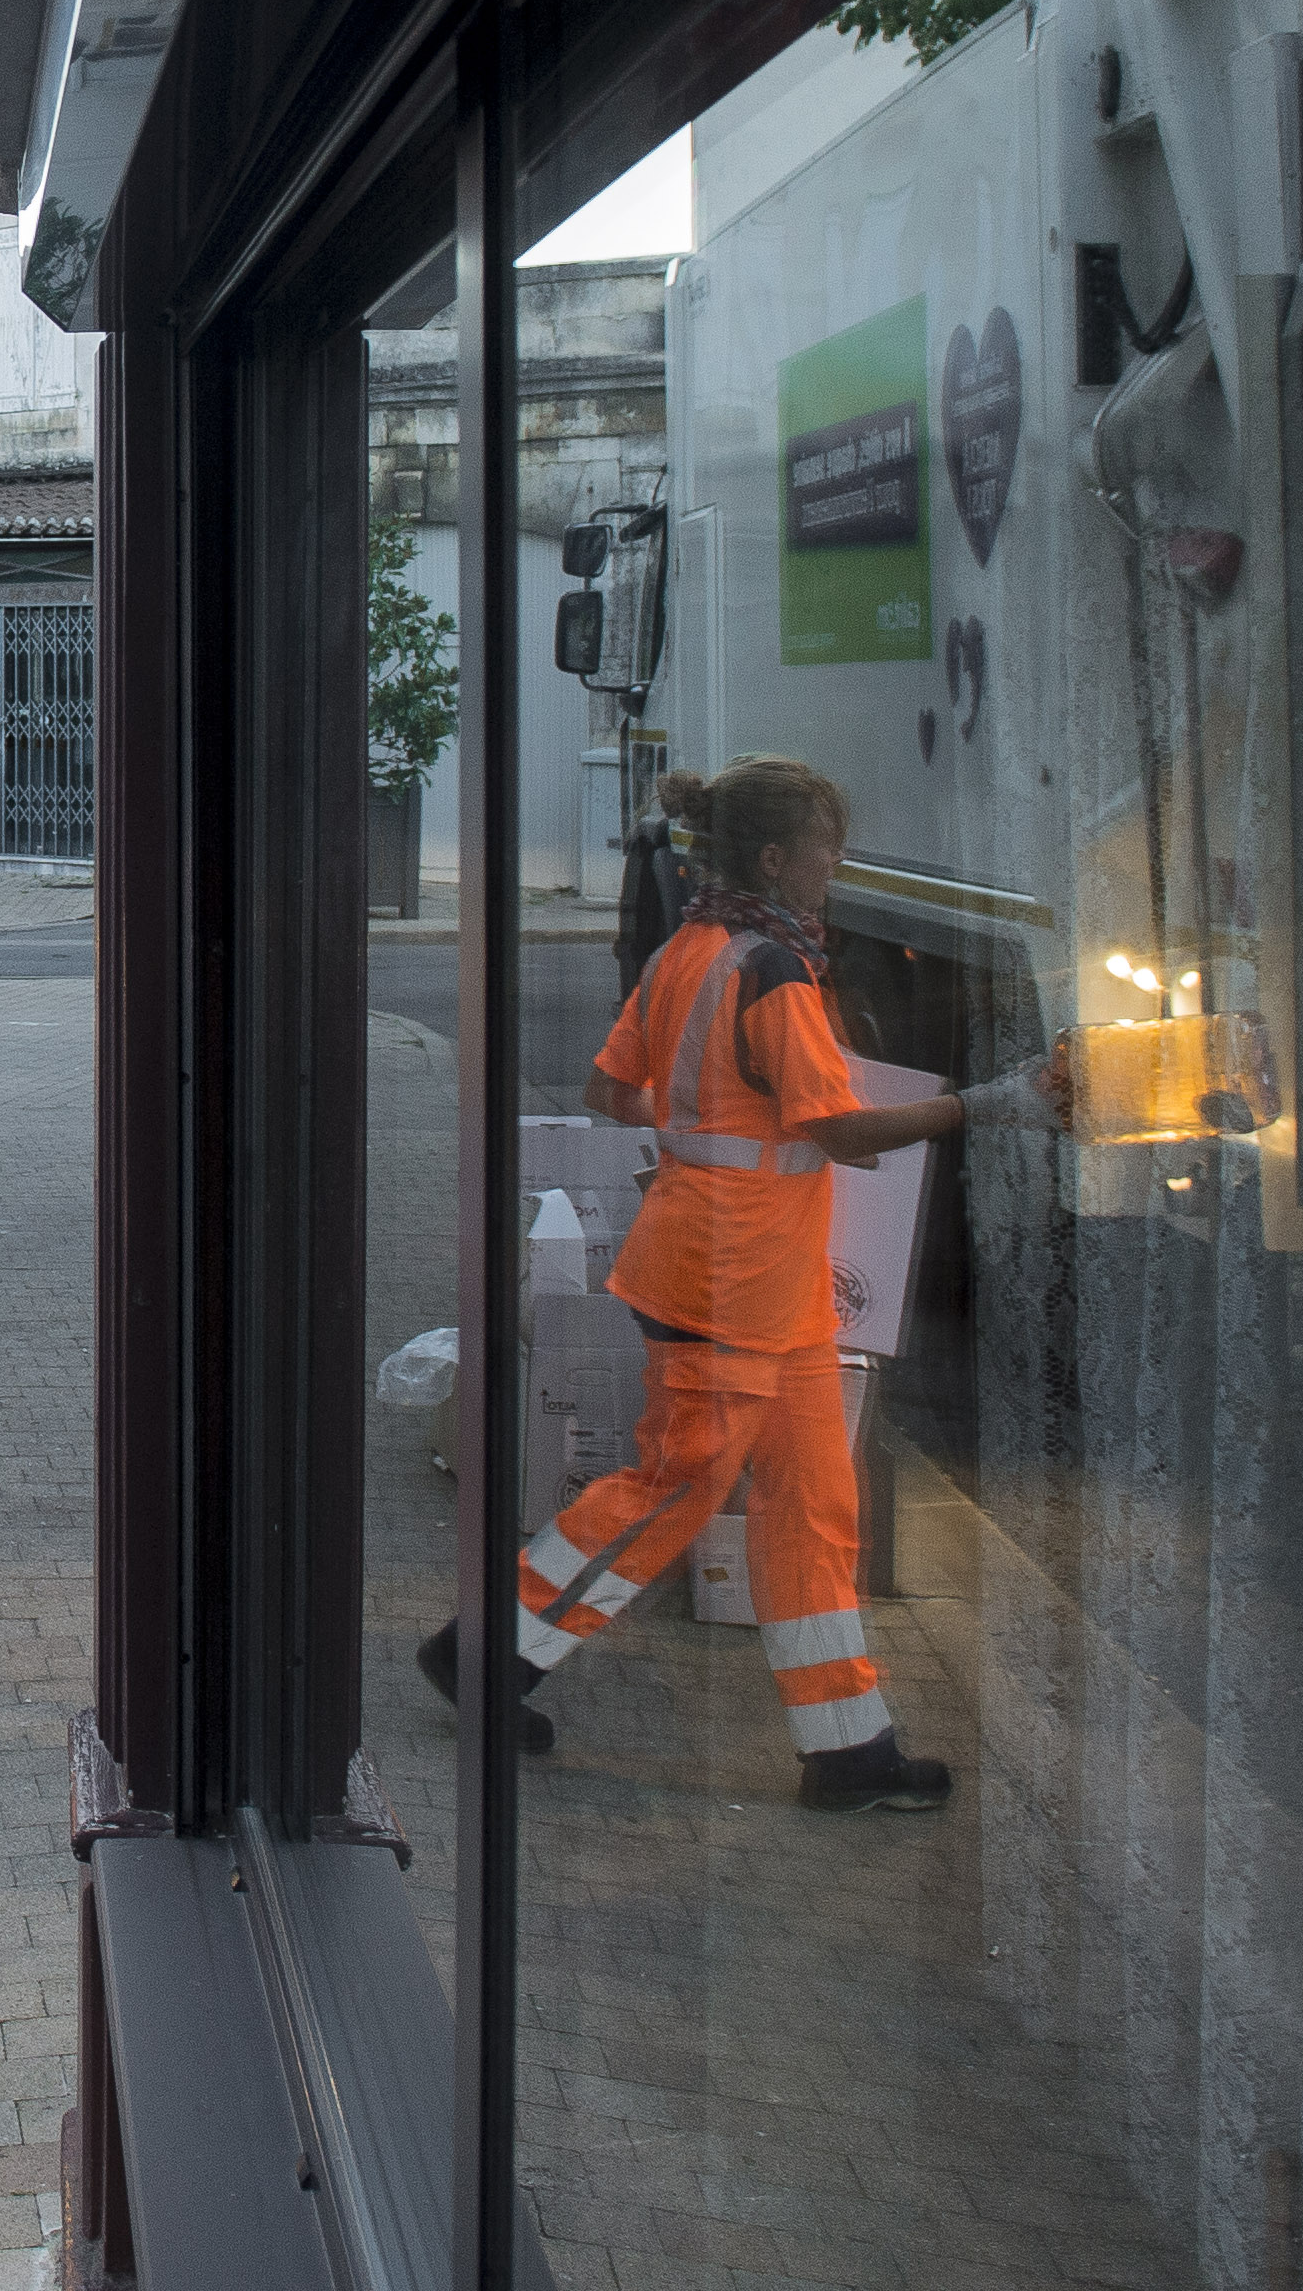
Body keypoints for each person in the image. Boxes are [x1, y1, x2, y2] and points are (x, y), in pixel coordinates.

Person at [421, 755, 1057, 1813]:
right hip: (734, 1280)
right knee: (676, 1490)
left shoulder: (691, 948)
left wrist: (706, 1134)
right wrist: (991, 1103)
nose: (834, 866)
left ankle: (847, 1750)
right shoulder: (774, 973)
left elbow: (609, 1088)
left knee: (813, 1506)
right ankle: (487, 1655)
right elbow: (839, 1131)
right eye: (824, 849)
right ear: (772, 858)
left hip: (749, 1279)